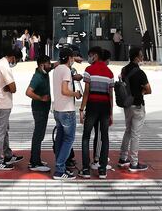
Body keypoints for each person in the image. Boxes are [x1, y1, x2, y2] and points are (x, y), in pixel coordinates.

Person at [80, 46, 114, 179]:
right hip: (105, 107)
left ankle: (86, 169)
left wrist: (82, 109)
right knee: (104, 137)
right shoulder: (109, 73)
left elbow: (87, 92)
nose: (90, 58)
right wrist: (111, 113)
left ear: (95, 56)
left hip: (92, 106)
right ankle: (102, 170)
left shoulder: (89, 70)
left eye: (91, 55)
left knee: (86, 136)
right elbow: (111, 95)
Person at [118, 46, 151, 172]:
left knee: (128, 131)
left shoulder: (124, 70)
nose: (143, 57)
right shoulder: (140, 73)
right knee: (135, 135)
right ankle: (134, 163)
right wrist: (140, 92)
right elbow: (149, 89)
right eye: (141, 55)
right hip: (137, 105)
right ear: (137, 58)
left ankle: (123, 158)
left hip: (127, 105)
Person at [0, 49, 22, 170]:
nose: (15, 63)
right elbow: (13, 88)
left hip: (1, 100)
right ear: (13, 57)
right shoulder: (4, 66)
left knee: (4, 129)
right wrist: (9, 87)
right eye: (16, 60)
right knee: (1, 130)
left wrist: (8, 87)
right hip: (2, 101)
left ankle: (7, 154)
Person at [51, 47, 81, 180]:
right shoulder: (66, 70)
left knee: (60, 138)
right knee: (69, 140)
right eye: (72, 57)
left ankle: (59, 165)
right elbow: (65, 90)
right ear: (69, 58)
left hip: (57, 109)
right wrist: (76, 94)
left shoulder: (57, 69)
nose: (73, 59)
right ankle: (59, 169)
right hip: (67, 110)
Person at [26, 55, 52, 172]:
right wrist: (40, 98)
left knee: (40, 135)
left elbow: (55, 65)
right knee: (38, 135)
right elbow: (28, 92)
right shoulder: (37, 77)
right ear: (42, 65)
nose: (50, 65)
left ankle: (36, 159)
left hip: (43, 108)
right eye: (48, 63)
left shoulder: (44, 72)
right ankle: (35, 163)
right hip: (39, 109)